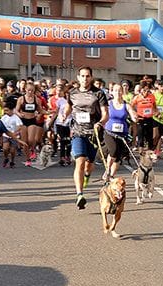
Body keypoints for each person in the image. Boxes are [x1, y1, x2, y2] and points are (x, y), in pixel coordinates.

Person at [64, 67, 109, 209]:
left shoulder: (99, 94)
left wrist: (100, 123)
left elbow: (105, 113)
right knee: (80, 162)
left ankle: (87, 176)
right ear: (78, 77)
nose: (85, 78)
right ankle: (79, 195)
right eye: (82, 76)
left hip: (94, 133)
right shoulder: (72, 93)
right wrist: (64, 115)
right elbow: (69, 107)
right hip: (78, 132)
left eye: (87, 76)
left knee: (89, 165)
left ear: (91, 77)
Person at [103, 83, 136, 180]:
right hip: (110, 132)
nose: (118, 92)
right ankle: (107, 170)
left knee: (118, 156)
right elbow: (103, 113)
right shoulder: (108, 104)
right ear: (112, 92)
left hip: (122, 133)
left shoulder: (126, 105)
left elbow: (132, 114)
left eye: (119, 90)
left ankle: (112, 176)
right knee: (113, 151)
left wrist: (135, 117)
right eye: (116, 90)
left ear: (123, 92)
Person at [15, 82, 47, 166]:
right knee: (25, 142)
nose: (30, 92)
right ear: (25, 90)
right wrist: (19, 114)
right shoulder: (21, 99)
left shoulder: (37, 99)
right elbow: (16, 110)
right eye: (29, 90)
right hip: (23, 121)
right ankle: (28, 159)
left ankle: (33, 149)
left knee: (31, 140)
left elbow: (40, 110)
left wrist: (49, 112)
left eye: (32, 90)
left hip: (32, 120)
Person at [130, 82, 157, 151]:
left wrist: (155, 111)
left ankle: (150, 151)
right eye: (144, 90)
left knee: (149, 135)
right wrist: (134, 113)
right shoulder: (137, 97)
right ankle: (140, 151)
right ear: (141, 90)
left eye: (147, 90)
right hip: (141, 118)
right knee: (140, 135)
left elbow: (154, 105)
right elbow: (131, 106)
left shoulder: (152, 96)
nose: (145, 92)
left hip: (149, 118)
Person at [0, 104, 23, 168]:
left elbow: (20, 126)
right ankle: (6, 158)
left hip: (14, 136)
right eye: (5, 111)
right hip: (6, 135)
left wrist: (15, 132)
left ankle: (12, 161)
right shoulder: (4, 117)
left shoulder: (15, 117)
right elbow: (0, 125)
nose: (5, 112)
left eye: (7, 110)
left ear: (11, 110)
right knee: (5, 149)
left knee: (12, 150)